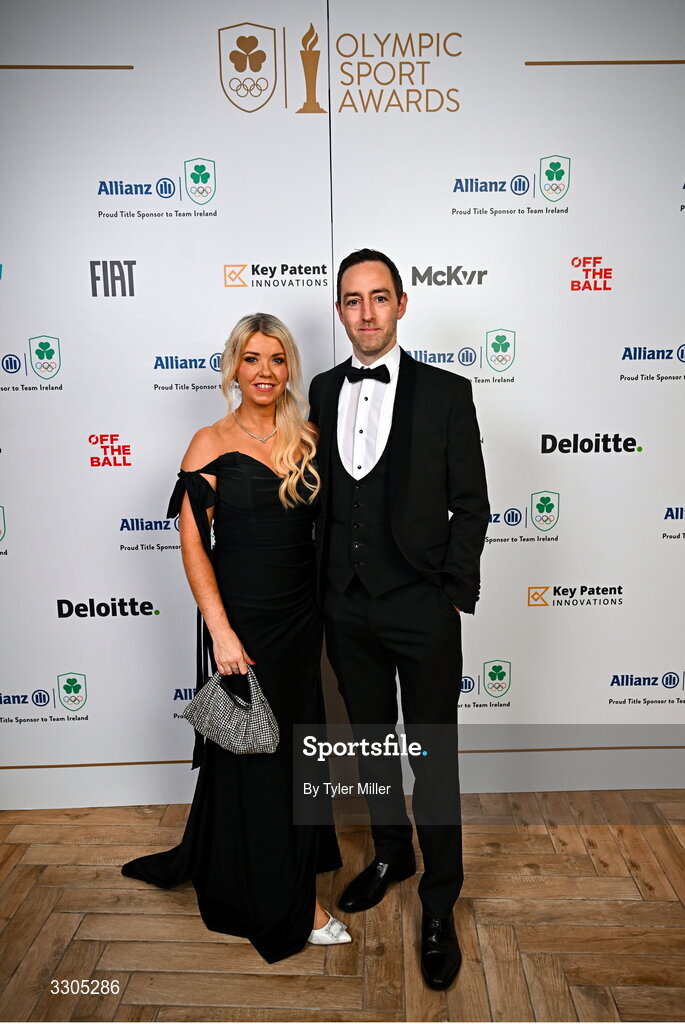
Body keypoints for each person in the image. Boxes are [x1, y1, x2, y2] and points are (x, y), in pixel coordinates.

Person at [122, 313, 349, 962]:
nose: (264, 372)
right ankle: (295, 904)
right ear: (233, 367)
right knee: (257, 756)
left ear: (289, 368)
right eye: (252, 359)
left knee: (294, 752)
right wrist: (221, 632)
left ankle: (245, 861)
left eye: (276, 359)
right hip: (241, 622)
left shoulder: (308, 438)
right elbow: (194, 545)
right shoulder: (208, 442)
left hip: (300, 621)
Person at [308, 249, 489, 990]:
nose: (367, 312)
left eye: (379, 297)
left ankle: (439, 901)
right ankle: (391, 853)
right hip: (345, 604)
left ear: (401, 304)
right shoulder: (321, 389)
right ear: (340, 310)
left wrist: (449, 593)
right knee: (372, 742)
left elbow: (471, 504)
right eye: (353, 300)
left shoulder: (447, 392)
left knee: (433, 755)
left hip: (421, 604)